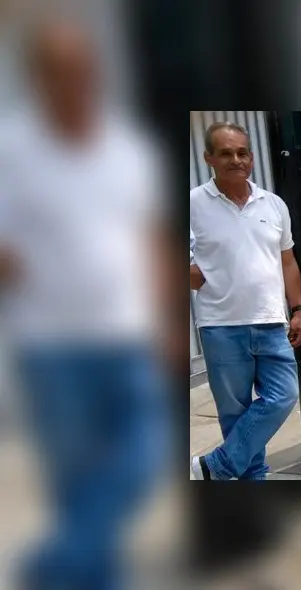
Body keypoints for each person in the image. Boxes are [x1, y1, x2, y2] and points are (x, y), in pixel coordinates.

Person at [0, 19, 169, 589]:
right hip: (52, 347)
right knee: (77, 484)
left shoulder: (127, 149)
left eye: (83, 71)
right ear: (39, 79)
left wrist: (166, 319)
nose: (75, 82)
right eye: (60, 72)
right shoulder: (11, 149)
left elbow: (147, 237)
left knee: (146, 457)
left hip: (127, 338)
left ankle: (56, 564)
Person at [189, 121, 301, 481]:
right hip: (221, 326)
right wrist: (203, 276)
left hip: (272, 322)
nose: (235, 159)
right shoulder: (193, 203)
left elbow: (287, 260)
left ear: (252, 158)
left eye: (242, 152)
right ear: (209, 157)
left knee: (284, 395)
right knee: (234, 414)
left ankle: (214, 467)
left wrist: (298, 309)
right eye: (225, 153)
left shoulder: (273, 205)